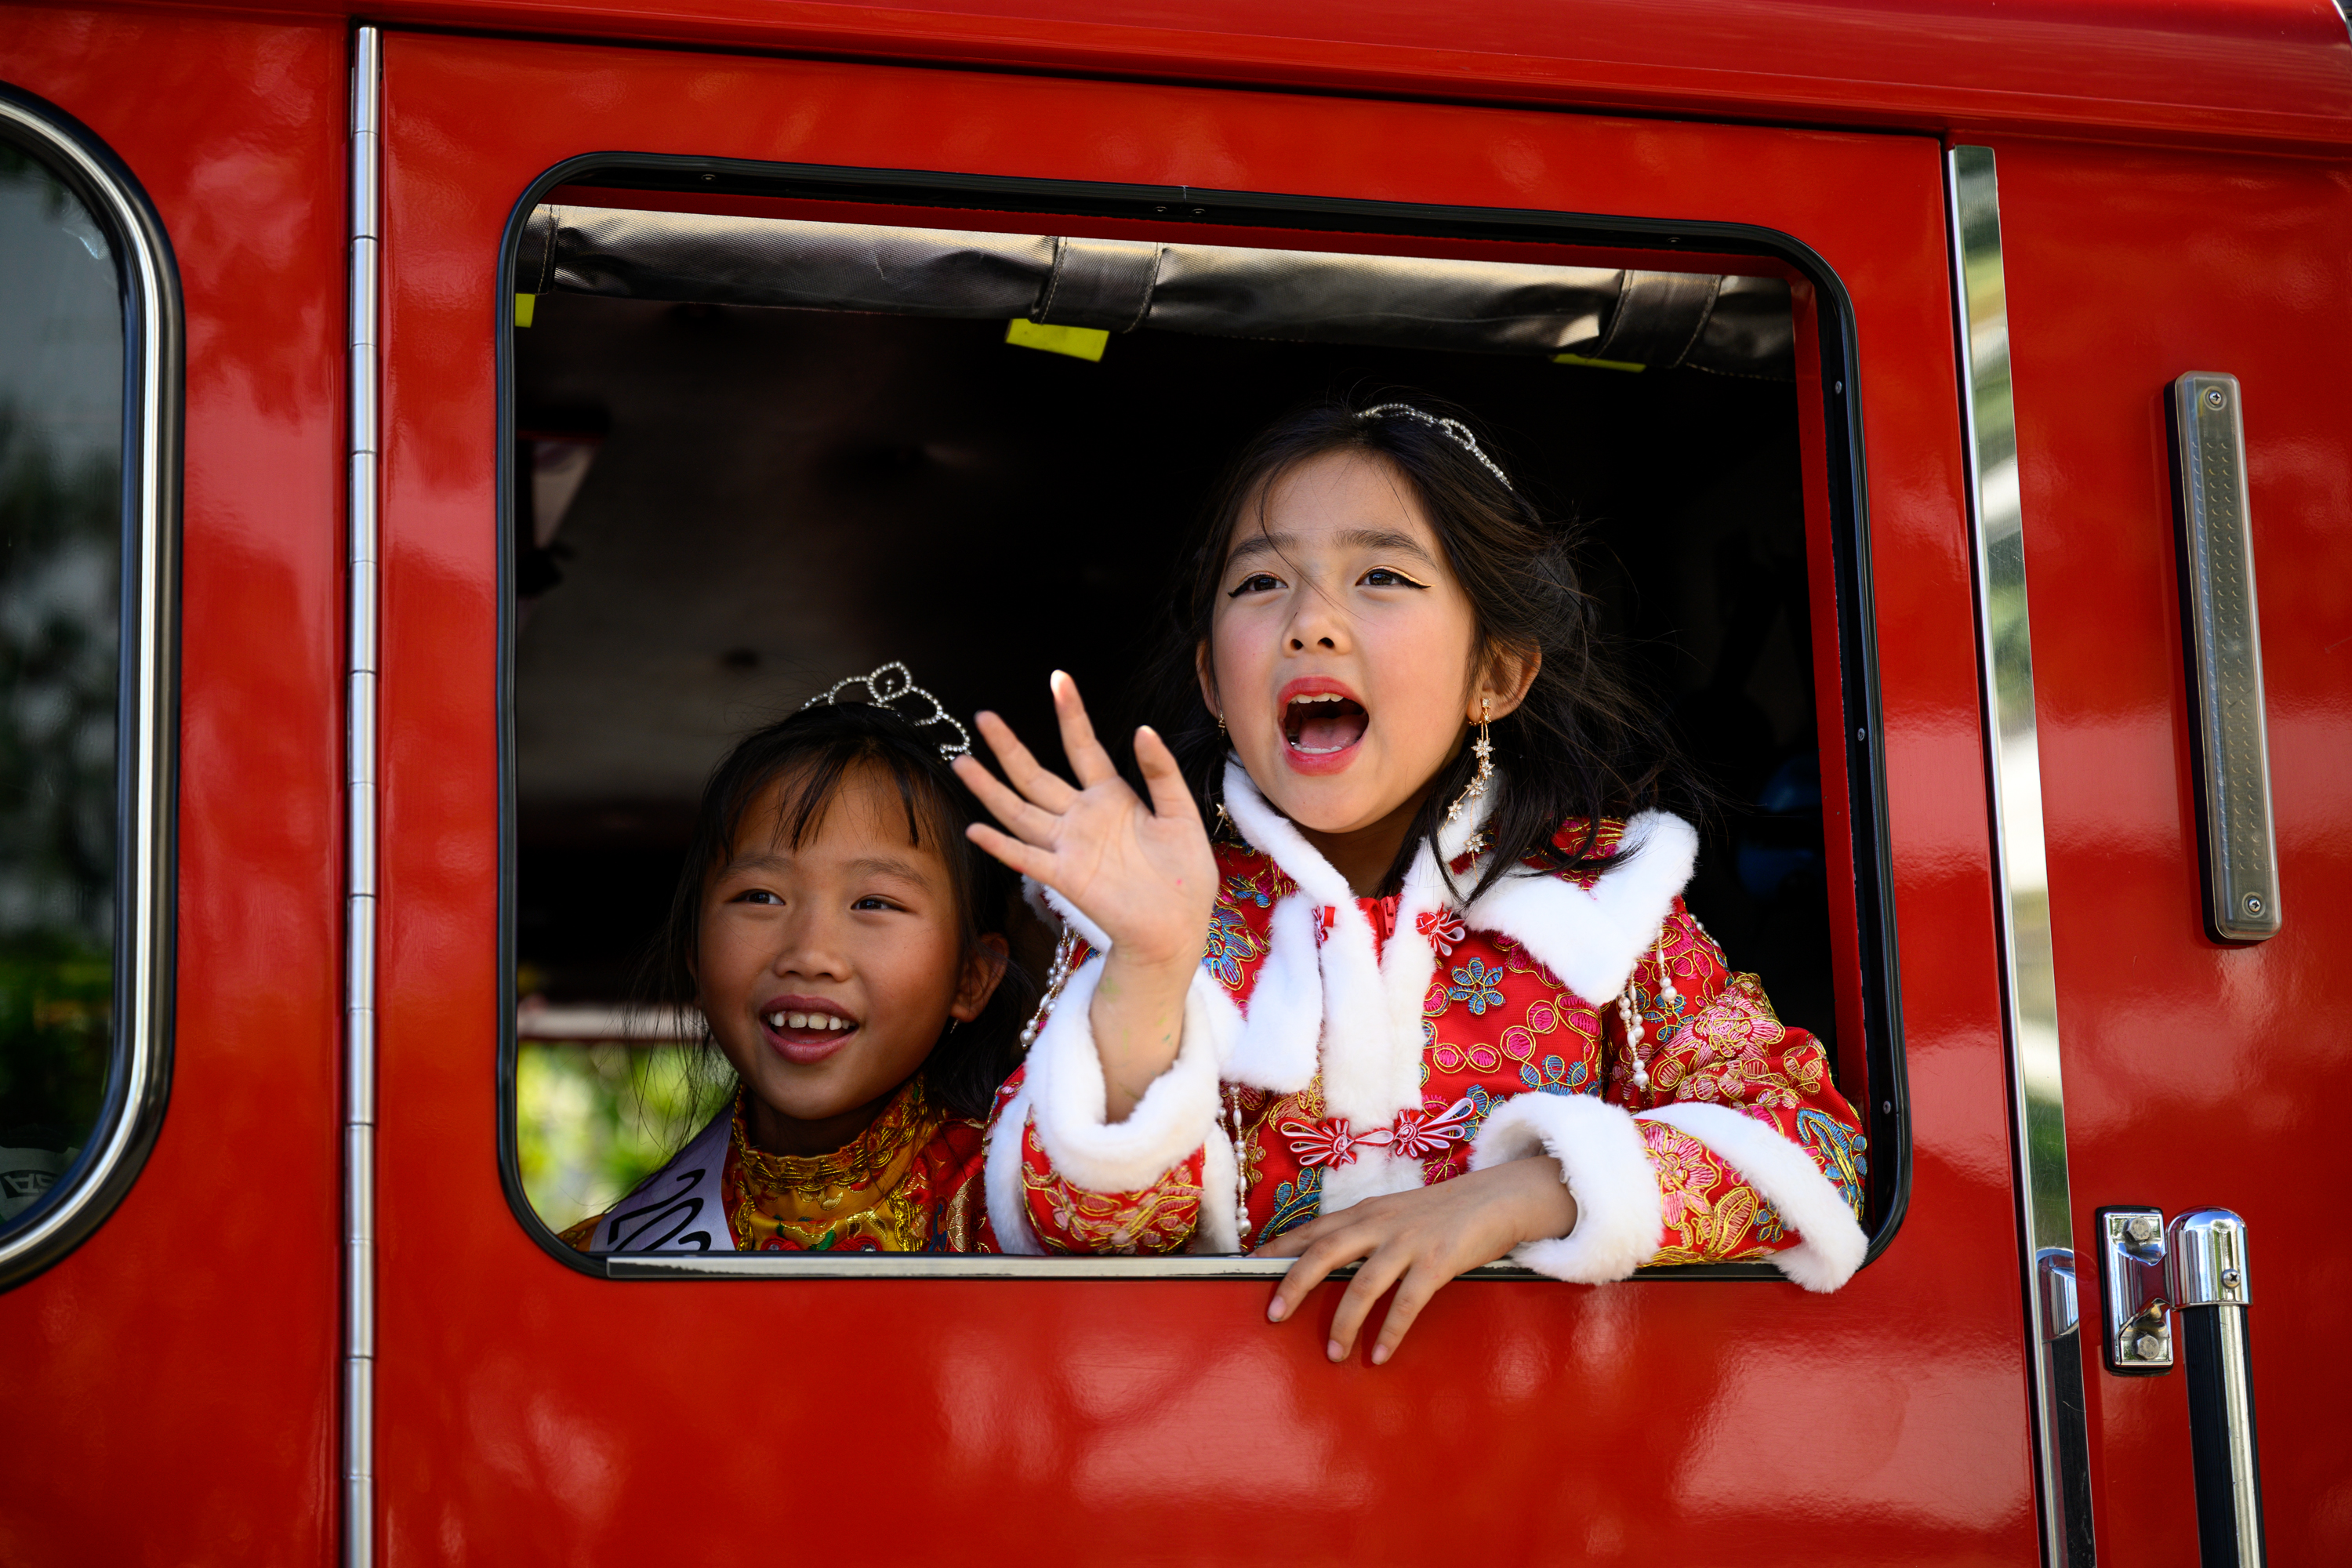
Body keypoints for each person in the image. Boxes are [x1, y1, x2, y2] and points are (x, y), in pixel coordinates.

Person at [950, 397, 1870, 1361]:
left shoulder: (1610, 906)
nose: (1310, 622)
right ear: (1216, 683)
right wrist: (1147, 967)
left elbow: (1819, 1151)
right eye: (1261, 581)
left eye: (1381, 574)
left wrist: (1523, 1191)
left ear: (1499, 674)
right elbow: (1034, 1242)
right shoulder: (1151, 914)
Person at [563, 669, 1028, 1254]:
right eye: (761, 897)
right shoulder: (593, 1261)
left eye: (875, 903)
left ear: (971, 976)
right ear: (694, 953)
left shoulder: (1025, 1216)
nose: (810, 954)